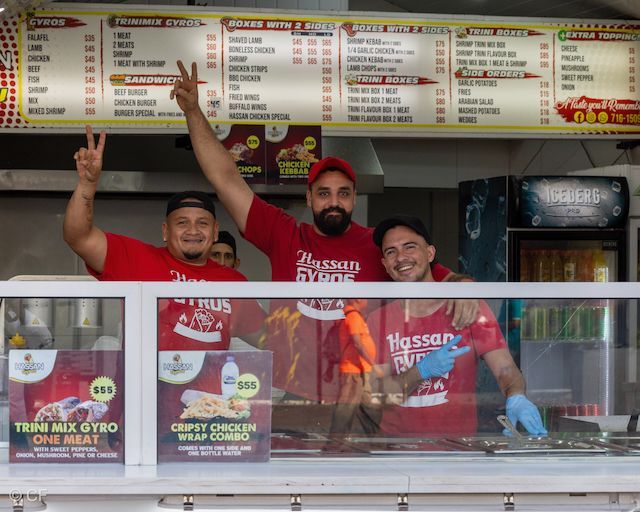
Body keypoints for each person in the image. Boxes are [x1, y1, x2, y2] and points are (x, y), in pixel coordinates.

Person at [171, 61, 477, 402]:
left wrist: (462, 286)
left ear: (353, 198)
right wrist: (194, 113)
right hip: (293, 392)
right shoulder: (283, 233)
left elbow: (434, 277)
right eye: (324, 193)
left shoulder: (378, 244)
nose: (334, 202)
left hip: (360, 393)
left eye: (343, 193)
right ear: (309, 197)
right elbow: (226, 178)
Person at [63, 126, 264, 351]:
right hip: (149, 386)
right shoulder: (137, 259)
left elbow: (270, 340)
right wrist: (87, 184)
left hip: (209, 387)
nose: (193, 230)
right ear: (165, 232)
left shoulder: (233, 283)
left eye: (202, 223)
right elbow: (78, 236)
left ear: (215, 232)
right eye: (182, 223)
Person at [368, 215, 547, 436]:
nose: (401, 257)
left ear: (430, 253)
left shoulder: (469, 306)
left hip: (457, 450)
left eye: (409, 247)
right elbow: (377, 395)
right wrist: (420, 371)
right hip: (396, 450)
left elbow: (505, 370)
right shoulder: (378, 320)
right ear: (385, 265)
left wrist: (516, 396)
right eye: (391, 251)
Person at [329, 299, 382, 436]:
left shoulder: (351, 315)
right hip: (353, 370)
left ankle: (376, 440)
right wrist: (374, 365)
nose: (367, 300)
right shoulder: (353, 316)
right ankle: (335, 444)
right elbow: (357, 343)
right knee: (346, 408)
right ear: (358, 299)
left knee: (368, 408)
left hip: (360, 370)